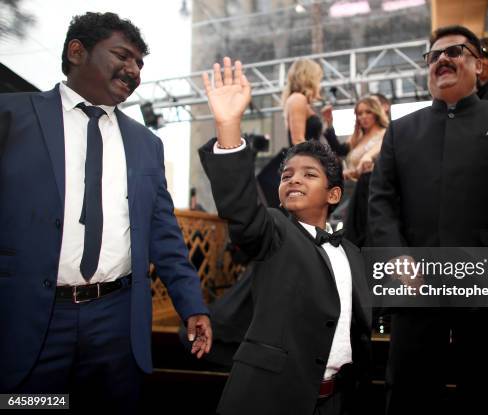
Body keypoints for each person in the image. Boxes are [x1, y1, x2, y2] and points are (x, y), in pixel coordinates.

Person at [0, 12, 211, 409]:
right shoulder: (11, 118)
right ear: (77, 51)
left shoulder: (147, 144)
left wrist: (192, 305)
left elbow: (164, 236)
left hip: (116, 323)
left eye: (140, 64)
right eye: (123, 56)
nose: (133, 71)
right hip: (30, 323)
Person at [368, 25, 488, 411]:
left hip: (486, 288)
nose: (443, 59)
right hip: (415, 287)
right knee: (407, 392)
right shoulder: (401, 132)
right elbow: (381, 203)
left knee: (482, 392)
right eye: (434, 55)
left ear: (479, 64)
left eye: (455, 51)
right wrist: (394, 254)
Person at [199, 57, 371, 415]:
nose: (293, 179)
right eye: (287, 175)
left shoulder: (353, 252)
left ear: (334, 195)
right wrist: (229, 127)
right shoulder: (275, 231)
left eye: (309, 175)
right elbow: (243, 211)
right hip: (271, 400)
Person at [324, 96, 389, 247]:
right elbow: (339, 150)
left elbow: (375, 151)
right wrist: (329, 123)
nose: (363, 117)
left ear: (376, 112)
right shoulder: (357, 138)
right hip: (356, 191)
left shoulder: (385, 133)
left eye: (368, 112)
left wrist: (367, 157)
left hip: (375, 191)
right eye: (360, 113)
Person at [283, 58, 325, 146]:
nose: (319, 83)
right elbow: (298, 141)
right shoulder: (298, 99)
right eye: (318, 78)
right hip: (306, 157)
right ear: (310, 78)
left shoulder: (301, 100)